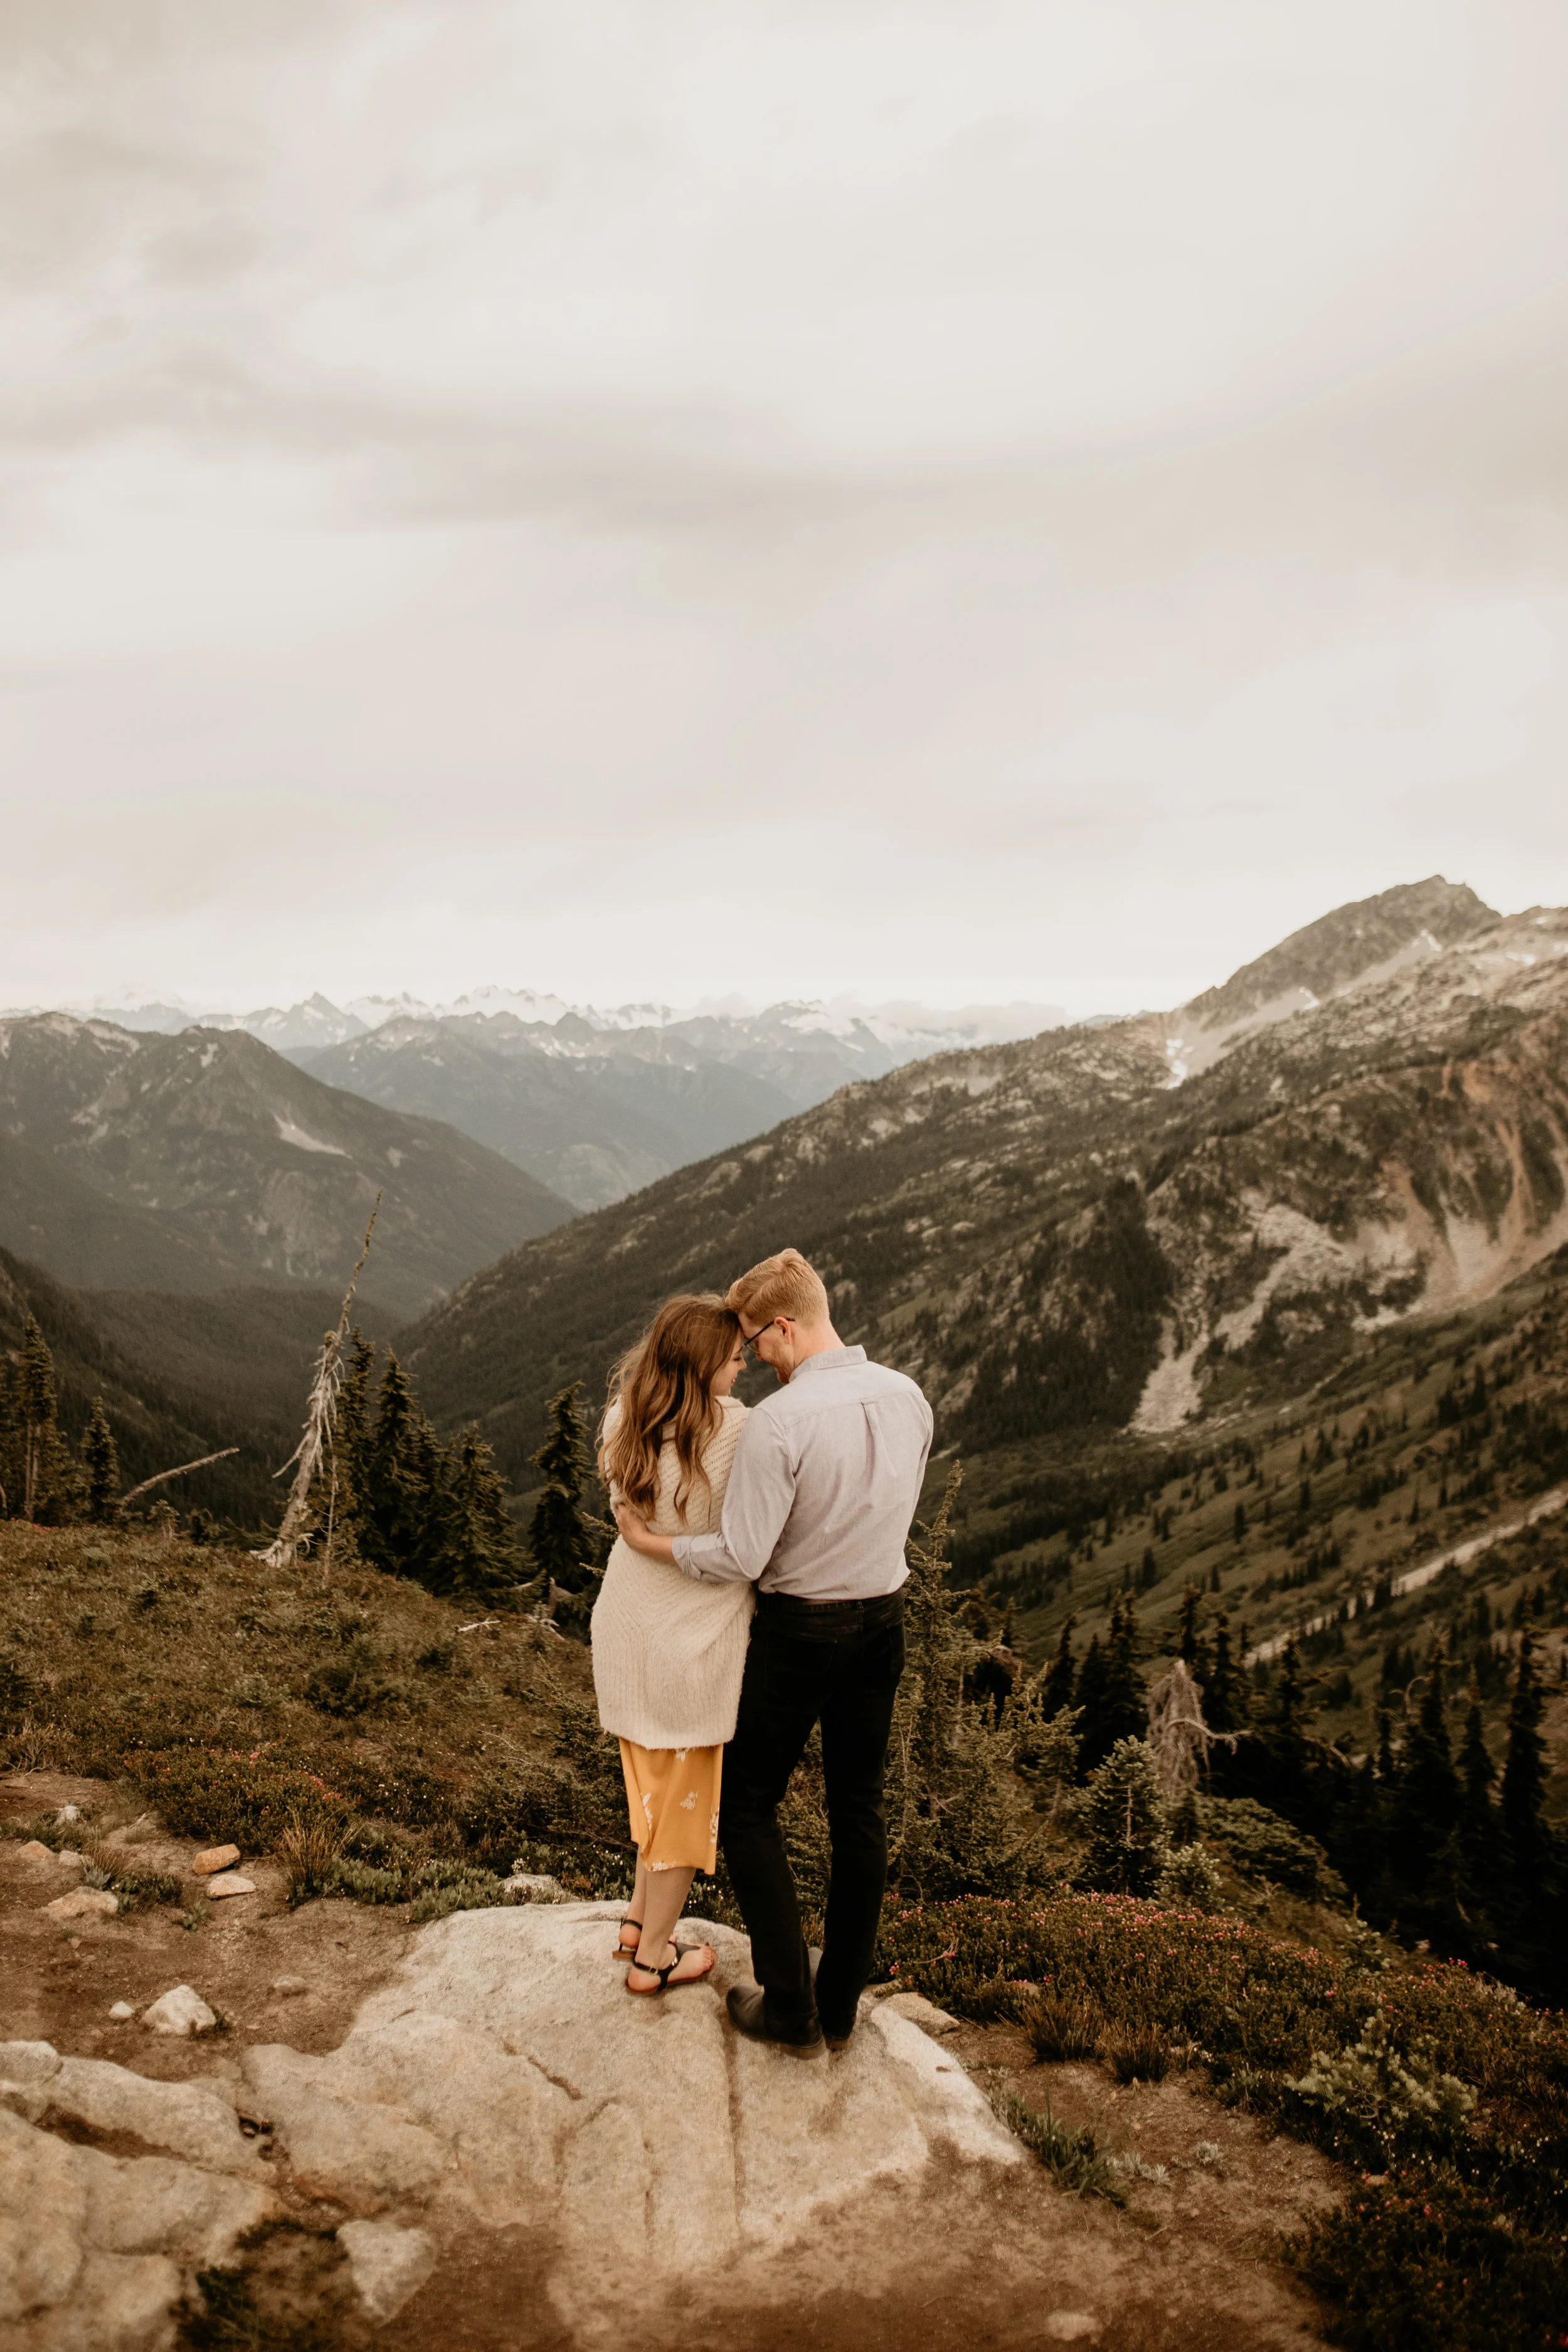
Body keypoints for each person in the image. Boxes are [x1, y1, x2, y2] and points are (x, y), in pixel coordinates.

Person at [614, 1248, 933, 2058]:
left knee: (749, 1805)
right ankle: (840, 2000)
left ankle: (790, 2002)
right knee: (859, 1808)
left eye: (756, 1338)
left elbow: (743, 1556)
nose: (752, 1353)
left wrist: (656, 1544)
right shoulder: (908, 1395)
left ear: (786, 1325)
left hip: (802, 1629)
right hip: (883, 1621)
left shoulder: (785, 1421)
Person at [591, 1295, 753, 1994]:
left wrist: (648, 1538)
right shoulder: (737, 1432)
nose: (744, 1361)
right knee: (684, 1814)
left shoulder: (624, 1416)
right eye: (734, 1353)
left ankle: (635, 1918)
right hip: (690, 1647)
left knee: (651, 1792)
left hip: (626, 1632)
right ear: (703, 1363)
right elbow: (742, 1549)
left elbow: (625, 1513)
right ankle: (654, 1958)